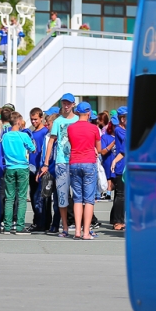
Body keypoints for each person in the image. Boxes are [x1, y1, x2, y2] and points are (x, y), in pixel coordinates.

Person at [39, 93, 78, 238]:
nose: (66, 106)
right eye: (64, 103)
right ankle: (65, 228)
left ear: (73, 104)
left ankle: (79, 227)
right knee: (62, 197)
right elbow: (51, 142)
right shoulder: (57, 122)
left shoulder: (77, 120)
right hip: (61, 162)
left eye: (69, 103)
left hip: (76, 160)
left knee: (78, 196)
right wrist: (46, 163)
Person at [68, 102, 101, 240]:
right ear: (88, 113)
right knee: (89, 199)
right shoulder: (93, 128)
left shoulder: (71, 127)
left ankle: (77, 231)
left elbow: (72, 143)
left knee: (77, 198)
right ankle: (86, 232)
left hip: (74, 161)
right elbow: (98, 149)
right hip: (89, 162)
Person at [1, 113, 35, 235]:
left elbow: (2, 150)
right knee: (21, 197)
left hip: (10, 166)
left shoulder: (5, 136)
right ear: (19, 122)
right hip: (22, 167)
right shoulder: (23, 135)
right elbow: (32, 148)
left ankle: (7, 226)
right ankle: (20, 226)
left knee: (9, 197)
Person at [28, 107, 49, 232]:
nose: (33, 122)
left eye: (36, 119)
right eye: (32, 119)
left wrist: (42, 167)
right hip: (32, 168)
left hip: (40, 168)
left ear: (41, 118)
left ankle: (42, 222)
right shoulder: (33, 133)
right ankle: (37, 221)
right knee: (33, 195)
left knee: (39, 197)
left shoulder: (45, 132)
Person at [110, 106, 128, 231]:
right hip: (122, 165)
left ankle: (116, 218)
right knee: (121, 195)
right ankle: (118, 221)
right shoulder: (119, 130)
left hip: (126, 165)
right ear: (122, 119)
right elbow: (126, 147)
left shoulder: (125, 130)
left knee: (121, 195)